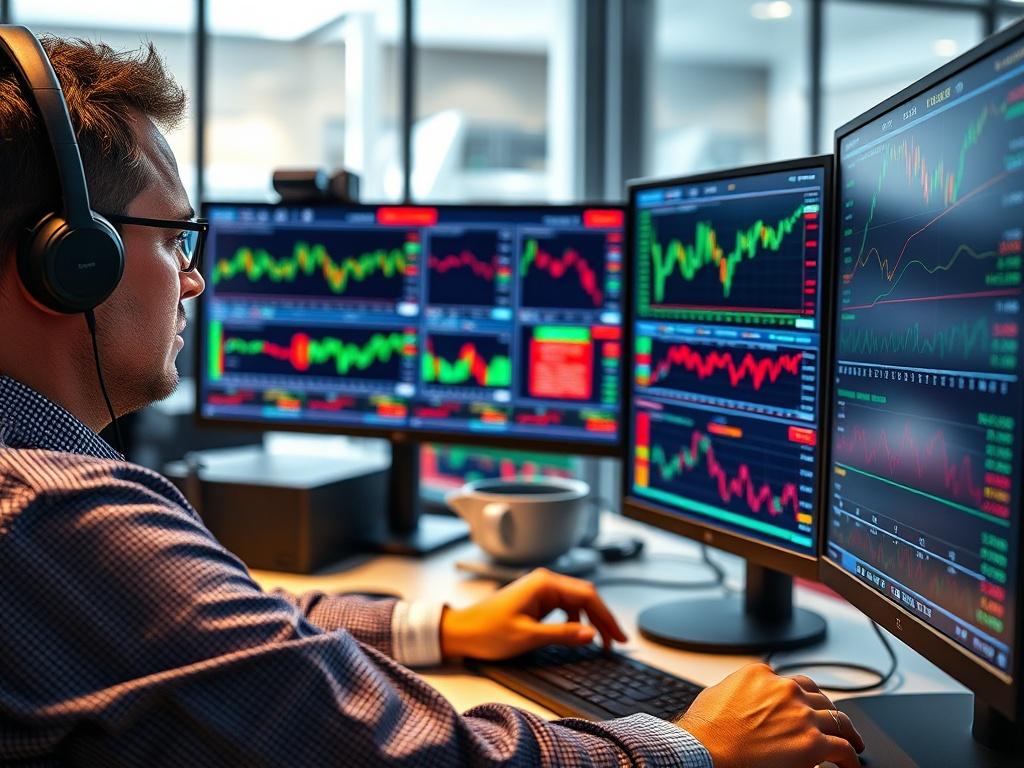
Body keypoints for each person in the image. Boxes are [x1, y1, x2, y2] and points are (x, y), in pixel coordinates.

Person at [0, 33, 865, 768]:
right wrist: (691, 746)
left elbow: (232, 641)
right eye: (177, 237)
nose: (194, 279)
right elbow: (412, 755)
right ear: (74, 258)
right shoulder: (55, 507)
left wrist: (443, 627)